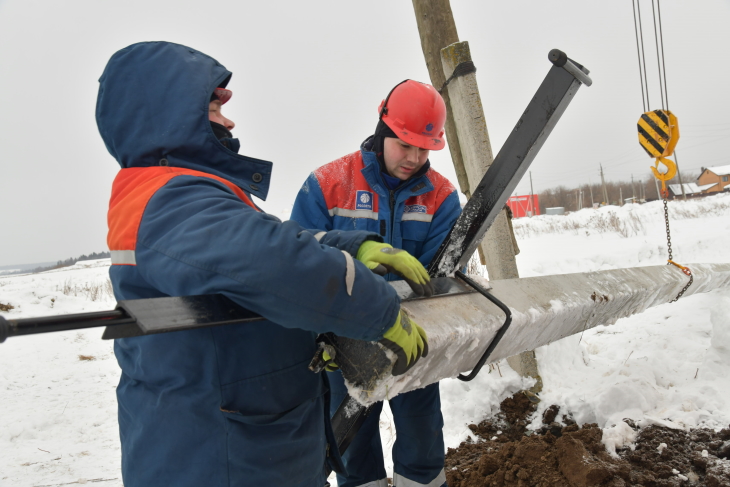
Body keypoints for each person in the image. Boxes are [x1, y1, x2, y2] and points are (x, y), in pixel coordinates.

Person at [97, 41, 430, 487]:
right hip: (223, 456)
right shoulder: (170, 197)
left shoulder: (183, 193)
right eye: (214, 110)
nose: (229, 121)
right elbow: (274, 262)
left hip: (240, 439)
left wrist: (350, 247)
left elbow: (272, 241)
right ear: (167, 113)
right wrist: (378, 310)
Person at [291, 80, 461, 487]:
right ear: (384, 128)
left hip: (414, 337)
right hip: (342, 340)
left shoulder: (441, 197)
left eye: (425, 148)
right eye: (405, 144)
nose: (414, 157)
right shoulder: (328, 183)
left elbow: (440, 279)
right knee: (353, 447)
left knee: (422, 441)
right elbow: (297, 259)